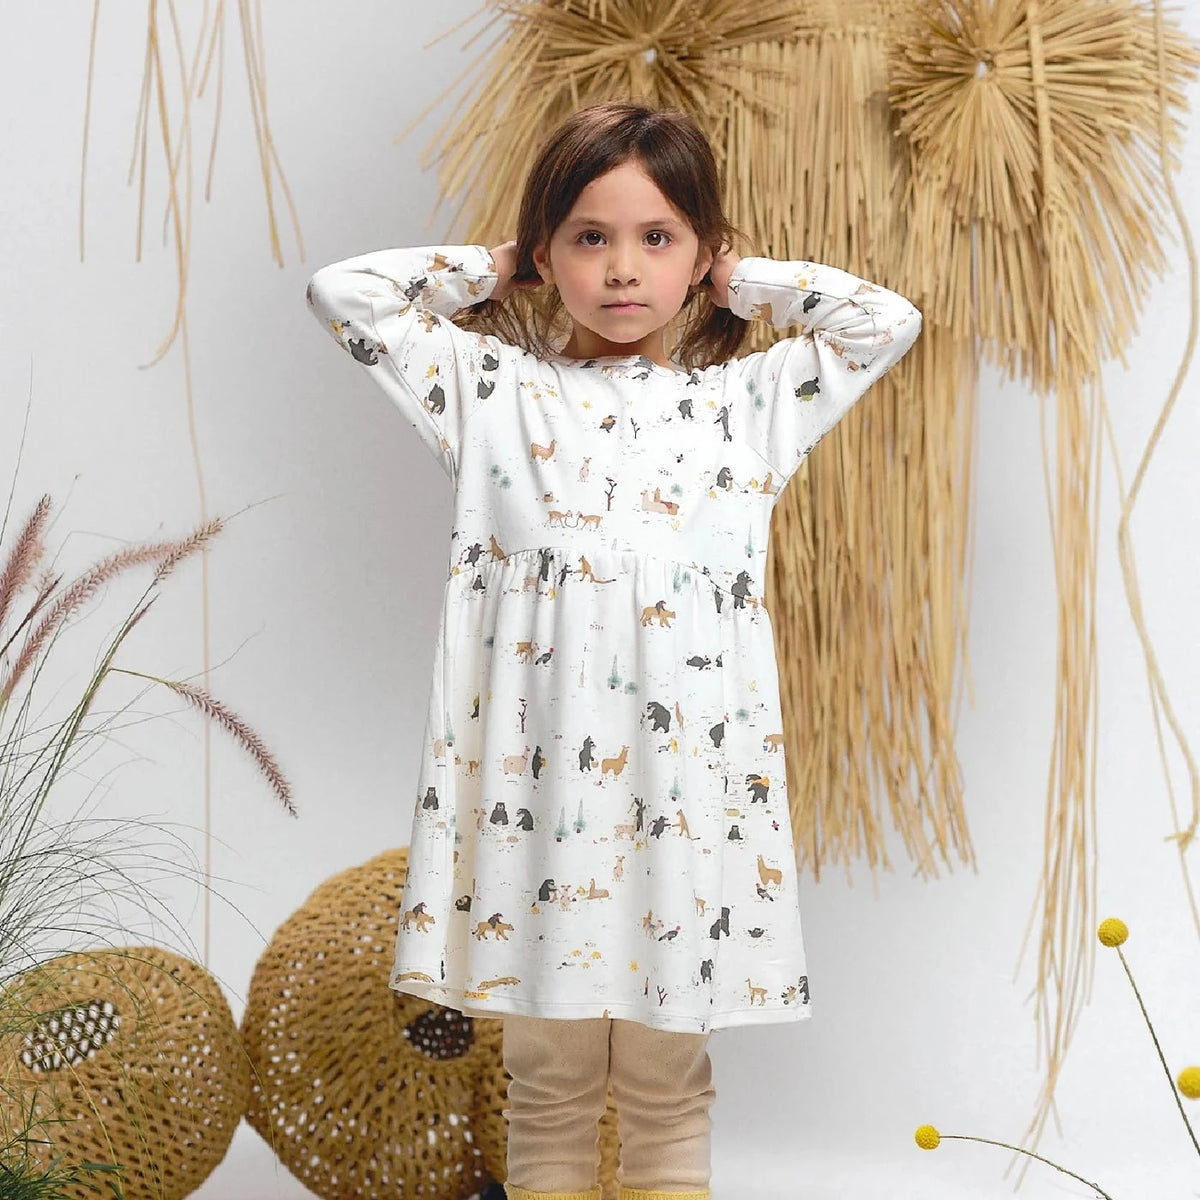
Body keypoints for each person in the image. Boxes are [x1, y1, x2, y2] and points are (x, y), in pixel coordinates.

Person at [306, 100, 922, 1200]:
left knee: (666, 1086)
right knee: (546, 1087)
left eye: (658, 238)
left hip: (681, 814)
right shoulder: (495, 394)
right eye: (590, 237)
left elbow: (884, 322)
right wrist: (497, 268)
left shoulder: (746, 407)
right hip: (540, 812)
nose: (624, 268)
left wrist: (745, 283)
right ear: (551, 252)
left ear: (698, 256)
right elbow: (344, 295)